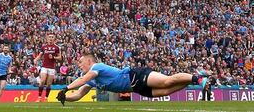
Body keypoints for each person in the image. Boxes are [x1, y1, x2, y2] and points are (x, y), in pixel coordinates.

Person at [57, 51, 208, 104]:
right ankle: (189, 82)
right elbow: (78, 94)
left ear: (89, 61)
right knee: (165, 91)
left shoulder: (96, 67)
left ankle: (198, 79)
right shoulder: (91, 80)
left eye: (81, 62)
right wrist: (64, 97)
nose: (79, 65)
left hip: (134, 75)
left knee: (166, 81)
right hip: (135, 88)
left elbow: (82, 80)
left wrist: (66, 87)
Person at [33, 32, 61, 102]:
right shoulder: (44, 47)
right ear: (47, 38)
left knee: (48, 84)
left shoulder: (57, 47)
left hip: (52, 67)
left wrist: (54, 57)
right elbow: (40, 55)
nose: (51, 38)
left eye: (52, 37)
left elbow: (60, 58)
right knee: (42, 81)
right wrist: (36, 59)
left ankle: (46, 98)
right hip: (44, 66)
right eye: (49, 37)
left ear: (54, 38)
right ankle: (39, 97)